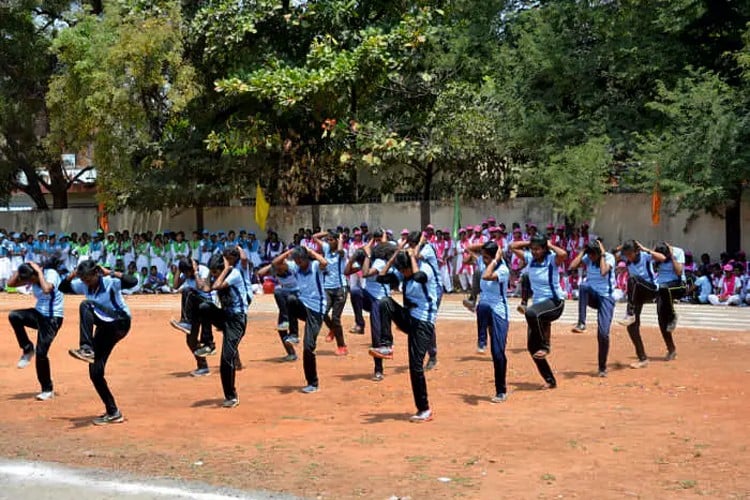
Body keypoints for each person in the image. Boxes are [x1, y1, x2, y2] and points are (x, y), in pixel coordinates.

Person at [62, 260, 136, 426]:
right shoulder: (84, 285)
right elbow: (63, 288)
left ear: (96, 273)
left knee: (86, 305)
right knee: (95, 371)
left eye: (88, 278)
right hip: (105, 326)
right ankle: (113, 412)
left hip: (120, 322)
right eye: (83, 280)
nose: (85, 283)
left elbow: (133, 282)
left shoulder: (110, 282)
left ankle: (86, 347)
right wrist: (72, 275)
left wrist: (109, 272)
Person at [372, 248, 438, 422]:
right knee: (384, 301)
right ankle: (386, 345)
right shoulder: (405, 274)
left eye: (404, 269)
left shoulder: (425, 269)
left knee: (415, 367)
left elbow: (418, 277)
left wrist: (412, 258)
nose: (402, 273)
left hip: (423, 322)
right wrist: (394, 257)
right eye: (400, 270)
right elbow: (380, 278)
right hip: (410, 318)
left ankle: (424, 410)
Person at [193, 250, 250, 407]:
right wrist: (196, 272)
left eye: (216, 271)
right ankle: (209, 344)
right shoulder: (217, 275)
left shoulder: (234, 273)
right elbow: (205, 289)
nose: (214, 275)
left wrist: (226, 269)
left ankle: (231, 396)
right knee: (203, 306)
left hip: (237, 320)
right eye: (212, 272)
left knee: (226, 358)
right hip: (224, 316)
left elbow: (217, 286)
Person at [510, 234, 567, 389]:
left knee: (530, 313)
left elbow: (563, 254)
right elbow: (512, 246)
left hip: (555, 303)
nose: (534, 251)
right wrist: (531, 242)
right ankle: (550, 380)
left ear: (544, 249)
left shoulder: (552, 260)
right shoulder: (530, 259)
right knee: (531, 347)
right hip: (538, 308)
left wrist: (549, 244)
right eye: (532, 249)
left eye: (538, 249)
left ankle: (545, 345)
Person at [7, 259, 65, 401]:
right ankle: (27, 348)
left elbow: (46, 289)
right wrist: (20, 269)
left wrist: (38, 271)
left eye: (30, 279)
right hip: (38, 314)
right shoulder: (32, 278)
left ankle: (47, 389)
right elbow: (10, 284)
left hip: (52, 319)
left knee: (41, 353)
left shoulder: (50, 274)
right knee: (14, 316)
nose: (29, 282)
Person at [274, 246, 328, 393]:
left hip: (316, 311)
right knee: (291, 299)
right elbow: (276, 263)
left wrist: (310, 252)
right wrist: (288, 252)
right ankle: (294, 334)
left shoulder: (315, 266)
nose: (297, 263)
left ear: (306, 258)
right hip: (303, 306)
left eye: (300, 260)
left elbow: (324, 263)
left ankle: (313, 383)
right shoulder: (295, 267)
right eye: (296, 260)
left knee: (308, 347)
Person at [615, 240, 666, 369]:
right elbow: (613, 255)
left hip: (650, 289)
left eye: (630, 254)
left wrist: (645, 249)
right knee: (631, 327)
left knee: (633, 279)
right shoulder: (627, 261)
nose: (628, 257)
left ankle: (630, 313)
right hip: (636, 294)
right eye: (626, 255)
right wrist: (620, 248)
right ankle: (642, 358)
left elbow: (663, 258)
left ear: (636, 251)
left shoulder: (645, 256)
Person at [569, 240, 616, 377]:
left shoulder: (608, 257)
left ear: (598, 253)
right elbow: (572, 266)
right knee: (583, 286)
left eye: (592, 255)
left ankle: (602, 367)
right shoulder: (588, 258)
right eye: (589, 255)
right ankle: (581, 323)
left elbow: (603, 272)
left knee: (603, 334)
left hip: (606, 297)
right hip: (592, 296)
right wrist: (583, 252)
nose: (590, 258)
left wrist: (601, 255)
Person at [475, 241, 511, 403]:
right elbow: (469, 251)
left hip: (499, 312)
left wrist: (496, 260)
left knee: (498, 353)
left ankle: (501, 390)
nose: (483, 260)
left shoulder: (503, 270)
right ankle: (481, 340)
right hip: (485, 310)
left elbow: (486, 276)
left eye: (486, 257)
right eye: (482, 257)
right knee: (481, 305)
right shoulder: (484, 263)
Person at [169, 258, 214, 376]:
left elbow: (201, 287)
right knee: (191, 340)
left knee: (187, 291)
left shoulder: (204, 270)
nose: (186, 275)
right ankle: (203, 367)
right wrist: (179, 270)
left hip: (206, 304)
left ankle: (186, 322)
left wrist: (195, 271)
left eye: (187, 272)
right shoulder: (186, 275)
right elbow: (174, 286)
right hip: (194, 309)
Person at [257, 259, 299, 361]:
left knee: (279, 291)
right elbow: (260, 273)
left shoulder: (293, 266)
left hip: (298, 297)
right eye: (276, 270)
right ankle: (291, 353)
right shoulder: (276, 268)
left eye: (280, 269)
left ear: (285, 264)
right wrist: (273, 264)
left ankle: (287, 321)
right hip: (286, 301)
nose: (278, 272)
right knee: (282, 329)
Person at [315, 231, 349, 356]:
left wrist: (340, 239)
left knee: (335, 318)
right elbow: (315, 237)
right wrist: (327, 232)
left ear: (337, 241)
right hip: (327, 287)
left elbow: (340, 251)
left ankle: (342, 346)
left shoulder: (343, 252)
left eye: (331, 240)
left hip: (340, 287)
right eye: (327, 240)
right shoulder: (326, 249)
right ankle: (333, 330)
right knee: (322, 312)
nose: (328, 242)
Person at [654, 242, 686, 360]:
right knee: (661, 317)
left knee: (664, 288)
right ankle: (671, 349)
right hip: (662, 287)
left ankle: (672, 316)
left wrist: (672, 257)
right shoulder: (657, 255)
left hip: (677, 285)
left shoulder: (678, 252)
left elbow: (679, 271)